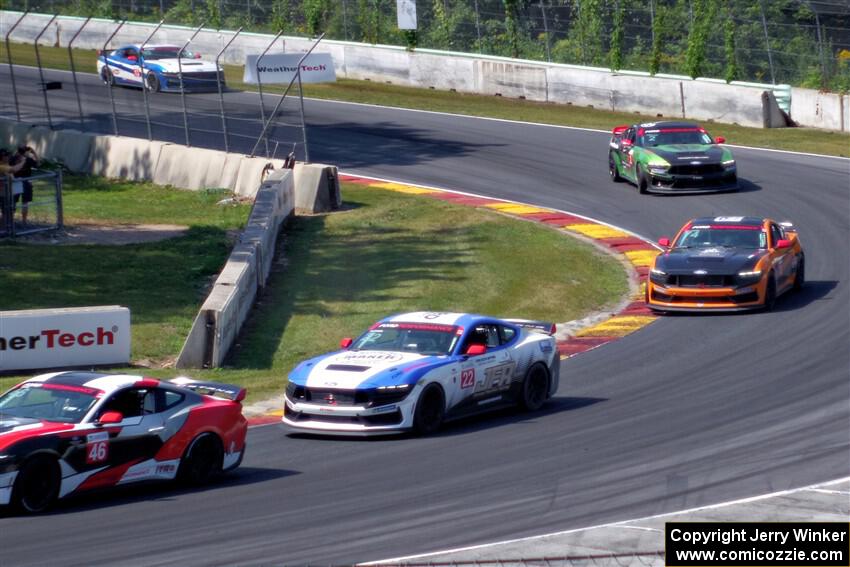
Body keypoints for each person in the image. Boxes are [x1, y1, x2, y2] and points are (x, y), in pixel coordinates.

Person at [10, 145, 38, 225]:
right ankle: (24, 221)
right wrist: (34, 153)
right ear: (26, 152)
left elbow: (10, 162)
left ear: (18, 151)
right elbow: (37, 163)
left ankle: (11, 221)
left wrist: (17, 152)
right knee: (25, 203)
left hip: (16, 182)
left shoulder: (13, 158)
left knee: (13, 201)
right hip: (26, 182)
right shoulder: (28, 160)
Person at [0, 148, 25, 232]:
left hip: (9, 192)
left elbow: (12, 170)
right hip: (3, 193)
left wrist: (18, 158)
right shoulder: (1, 166)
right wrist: (23, 162)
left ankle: (8, 228)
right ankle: (4, 230)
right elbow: (14, 169)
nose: (8, 157)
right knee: (6, 211)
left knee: (9, 211)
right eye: (6, 155)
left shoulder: (6, 165)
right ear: (2, 157)